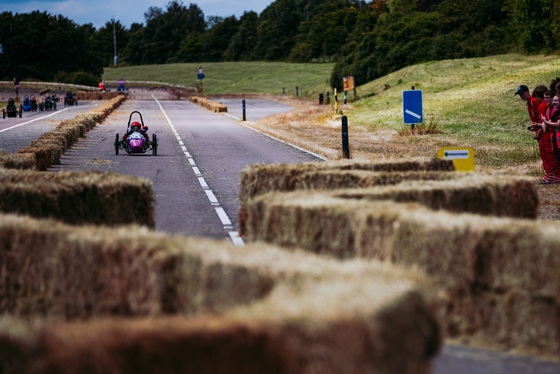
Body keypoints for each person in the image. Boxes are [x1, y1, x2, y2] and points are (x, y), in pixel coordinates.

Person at [539, 95, 560, 183]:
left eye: (556, 100)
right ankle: (553, 177)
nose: (554, 102)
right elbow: (549, 123)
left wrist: (544, 121)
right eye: (553, 100)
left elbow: (557, 125)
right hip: (555, 139)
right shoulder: (555, 111)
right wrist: (540, 126)